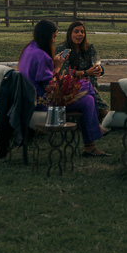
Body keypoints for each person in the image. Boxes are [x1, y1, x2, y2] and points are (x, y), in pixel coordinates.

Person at [18, 19, 108, 158]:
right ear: (47, 36)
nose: (54, 41)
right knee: (88, 96)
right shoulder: (41, 56)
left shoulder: (29, 49)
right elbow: (52, 88)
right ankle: (91, 142)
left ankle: (91, 141)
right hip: (43, 102)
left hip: (32, 98)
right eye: (53, 37)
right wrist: (58, 67)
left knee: (88, 93)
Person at [59, 20, 107, 120]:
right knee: (104, 112)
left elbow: (96, 64)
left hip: (90, 85)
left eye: (82, 32)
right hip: (72, 87)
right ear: (70, 33)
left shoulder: (89, 48)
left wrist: (99, 70)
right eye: (76, 32)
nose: (80, 34)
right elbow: (63, 71)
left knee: (104, 112)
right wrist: (85, 73)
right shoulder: (63, 49)